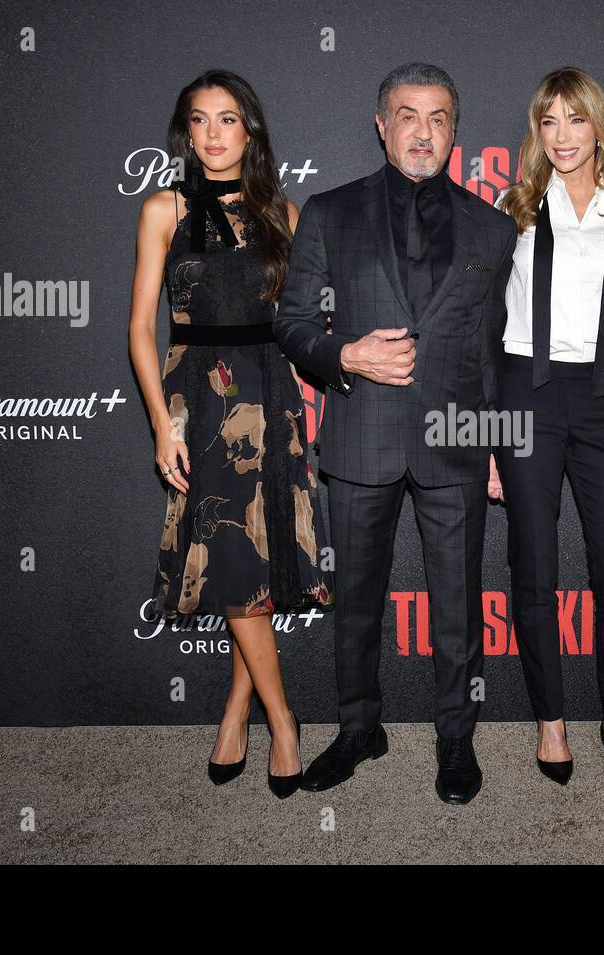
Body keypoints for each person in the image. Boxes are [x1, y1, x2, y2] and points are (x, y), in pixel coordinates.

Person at [273, 62, 517, 805]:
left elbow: (491, 349)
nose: (423, 130)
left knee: (458, 604)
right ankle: (357, 728)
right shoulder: (327, 211)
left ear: (454, 130)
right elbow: (289, 321)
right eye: (408, 115)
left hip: (456, 441)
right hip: (359, 436)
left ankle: (456, 737)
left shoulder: (492, 225)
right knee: (355, 601)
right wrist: (343, 354)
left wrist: (498, 444)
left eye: (439, 117)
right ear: (382, 124)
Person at [127, 69, 333, 799]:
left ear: (251, 130)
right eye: (200, 120)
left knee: (259, 563)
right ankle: (283, 719)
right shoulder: (163, 209)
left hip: (271, 396)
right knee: (233, 559)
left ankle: (237, 709)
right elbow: (141, 329)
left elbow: (306, 322)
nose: (213, 134)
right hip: (202, 399)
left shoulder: (286, 212)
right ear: (187, 132)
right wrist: (161, 421)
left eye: (227, 119)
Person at [489, 67, 604, 798]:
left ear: (599, 127)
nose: (561, 136)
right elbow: (490, 327)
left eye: (575, 120)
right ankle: (550, 719)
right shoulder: (512, 208)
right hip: (525, 393)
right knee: (533, 565)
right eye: (548, 121)